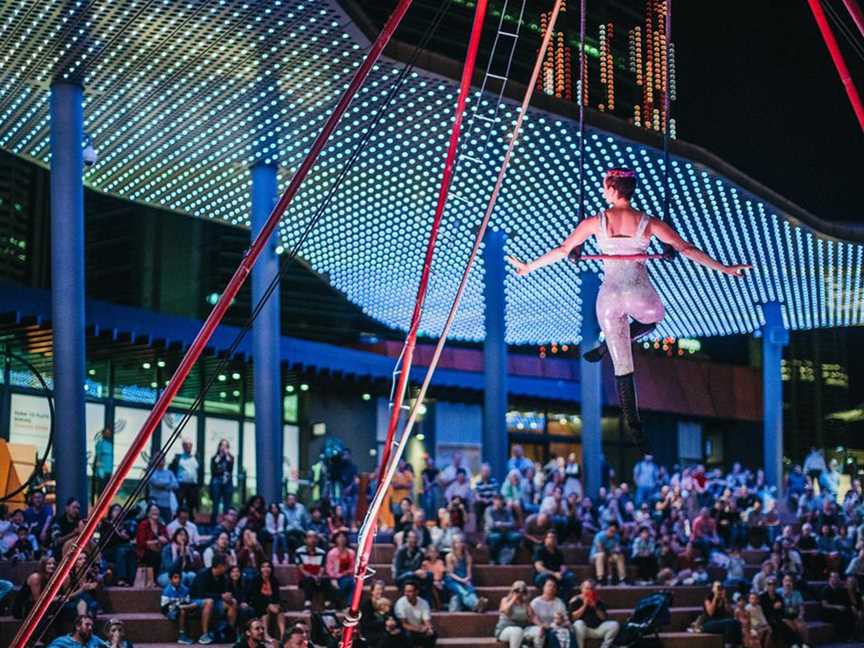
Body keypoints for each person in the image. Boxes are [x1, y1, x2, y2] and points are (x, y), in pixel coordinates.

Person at [509, 167, 749, 453]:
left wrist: (528, 267)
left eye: (604, 186)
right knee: (654, 317)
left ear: (612, 189)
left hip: (609, 297)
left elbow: (563, 250)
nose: (602, 190)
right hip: (638, 293)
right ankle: (607, 349)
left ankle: (635, 430)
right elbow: (686, 249)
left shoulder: (595, 222)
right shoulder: (648, 222)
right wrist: (725, 269)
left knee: (624, 367)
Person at [568, 579, 619, 648]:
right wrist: (584, 605)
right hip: (584, 630)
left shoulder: (598, 601)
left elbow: (603, 617)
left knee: (614, 625)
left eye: (591, 588)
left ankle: (605, 646)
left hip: (598, 628)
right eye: (587, 588)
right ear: (582, 589)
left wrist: (595, 607)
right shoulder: (575, 600)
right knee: (578, 623)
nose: (589, 591)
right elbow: (573, 618)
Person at [444, 534, 487, 612]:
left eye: (461, 542)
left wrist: (467, 579)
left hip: (464, 578)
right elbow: (450, 573)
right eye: (457, 542)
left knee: (470, 589)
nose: (459, 544)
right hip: (453, 580)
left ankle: (477, 604)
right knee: (463, 592)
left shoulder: (467, 556)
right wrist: (462, 580)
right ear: (453, 544)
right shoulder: (449, 556)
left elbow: (468, 572)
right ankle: (476, 605)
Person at [495, 580, 543, 648]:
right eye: (517, 590)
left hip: (523, 629)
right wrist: (513, 598)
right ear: (512, 590)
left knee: (538, 631)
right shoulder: (505, 600)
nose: (520, 593)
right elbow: (505, 610)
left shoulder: (526, 603)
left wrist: (541, 626)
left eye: (523, 591)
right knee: (517, 631)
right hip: (505, 629)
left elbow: (532, 616)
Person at [247, 561, 286, 644]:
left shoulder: (274, 580)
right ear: (260, 569)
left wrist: (276, 604)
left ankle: (283, 635)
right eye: (263, 567)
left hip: (271, 603)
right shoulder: (256, 579)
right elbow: (254, 596)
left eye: (268, 567)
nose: (266, 569)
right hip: (256, 603)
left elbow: (276, 596)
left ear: (271, 569)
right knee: (266, 608)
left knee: (280, 610)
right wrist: (269, 604)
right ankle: (265, 635)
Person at [100, 503, 138, 587]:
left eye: (120, 511)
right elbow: (105, 541)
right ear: (111, 512)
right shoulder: (106, 524)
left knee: (130, 550)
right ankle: (121, 579)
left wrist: (125, 537)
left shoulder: (124, 525)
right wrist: (119, 536)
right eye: (116, 510)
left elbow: (129, 538)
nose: (118, 512)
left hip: (122, 549)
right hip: (108, 550)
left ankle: (131, 580)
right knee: (121, 550)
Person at [533, 531, 576, 601]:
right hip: (544, 575)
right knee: (543, 577)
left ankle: (563, 601)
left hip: (557, 575)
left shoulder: (558, 552)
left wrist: (562, 572)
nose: (552, 539)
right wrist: (554, 574)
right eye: (550, 537)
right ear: (545, 539)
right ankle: (545, 600)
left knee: (570, 576)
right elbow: (539, 568)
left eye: (554, 538)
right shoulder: (540, 550)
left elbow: (563, 566)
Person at [394, 581, 437, 648]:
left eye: (409, 591)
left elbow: (426, 620)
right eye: (405, 591)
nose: (406, 594)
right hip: (407, 630)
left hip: (419, 629)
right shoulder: (400, 603)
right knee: (407, 635)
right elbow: (403, 624)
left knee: (432, 634)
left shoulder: (423, 603)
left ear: (417, 592)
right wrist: (418, 629)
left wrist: (429, 628)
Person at [697, 581, 741, 646]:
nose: (719, 589)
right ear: (712, 589)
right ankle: (728, 645)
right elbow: (710, 613)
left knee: (736, 623)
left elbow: (730, 612)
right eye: (717, 587)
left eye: (720, 587)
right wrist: (715, 597)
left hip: (720, 622)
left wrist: (724, 599)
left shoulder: (724, 598)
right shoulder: (708, 598)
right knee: (729, 623)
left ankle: (738, 645)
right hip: (707, 623)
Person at [161, 570, 198, 645]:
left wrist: (183, 606)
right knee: (182, 611)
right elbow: (164, 608)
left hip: (184, 607)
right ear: (170, 579)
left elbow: (188, 601)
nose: (178, 580)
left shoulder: (185, 589)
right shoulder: (166, 591)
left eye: (179, 578)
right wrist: (178, 607)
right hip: (171, 610)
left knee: (194, 605)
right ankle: (182, 635)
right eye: (175, 578)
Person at [135, 503, 169, 585]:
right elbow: (141, 542)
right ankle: (152, 580)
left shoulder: (161, 525)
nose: (155, 512)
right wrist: (156, 541)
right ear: (148, 513)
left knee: (165, 552)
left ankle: (163, 577)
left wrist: (162, 540)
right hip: (144, 551)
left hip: (159, 549)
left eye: (157, 510)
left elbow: (167, 539)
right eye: (153, 510)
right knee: (153, 554)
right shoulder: (143, 524)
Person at [296, 529, 329, 609]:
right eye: (310, 537)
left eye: (315, 537)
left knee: (326, 580)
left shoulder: (322, 552)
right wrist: (313, 577)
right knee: (309, 580)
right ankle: (308, 604)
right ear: (305, 540)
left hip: (318, 578)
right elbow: (301, 569)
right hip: (304, 579)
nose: (312, 540)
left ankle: (328, 604)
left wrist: (318, 576)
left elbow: (322, 568)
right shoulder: (299, 552)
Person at [485, 494, 520, 565]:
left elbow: (512, 523)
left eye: (500, 501)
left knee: (516, 536)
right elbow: (491, 525)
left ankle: (510, 559)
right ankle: (493, 559)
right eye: (497, 501)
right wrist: (504, 525)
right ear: (494, 501)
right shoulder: (489, 510)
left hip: (506, 532)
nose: (499, 503)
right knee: (495, 537)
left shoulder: (507, 510)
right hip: (493, 532)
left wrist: (500, 524)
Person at [820, 570, 856, 640]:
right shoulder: (826, 589)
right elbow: (824, 605)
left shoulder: (839, 589)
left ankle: (851, 635)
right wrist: (837, 607)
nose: (836, 579)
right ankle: (842, 636)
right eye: (835, 577)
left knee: (849, 611)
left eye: (838, 577)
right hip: (827, 611)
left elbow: (848, 600)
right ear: (830, 578)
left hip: (838, 609)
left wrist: (852, 607)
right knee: (841, 614)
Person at [326, 530, 356, 608]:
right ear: (336, 539)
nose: (342, 539)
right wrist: (334, 578)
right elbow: (329, 569)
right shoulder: (332, 553)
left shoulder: (351, 553)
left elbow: (353, 568)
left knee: (352, 582)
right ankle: (340, 604)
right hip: (335, 578)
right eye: (339, 537)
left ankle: (349, 605)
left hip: (348, 576)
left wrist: (345, 573)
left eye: (343, 537)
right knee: (345, 583)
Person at [173, 438, 201, 515]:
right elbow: (172, 469)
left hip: (193, 486)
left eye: (189, 445)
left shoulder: (196, 457)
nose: (188, 447)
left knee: (191, 506)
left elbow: (199, 471)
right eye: (186, 445)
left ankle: (191, 521)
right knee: (179, 504)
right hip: (181, 485)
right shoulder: (178, 458)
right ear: (183, 446)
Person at [210, 438, 235, 523]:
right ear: (219, 447)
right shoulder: (215, 458)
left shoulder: (230, 458)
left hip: (227, 482)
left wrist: (227, 456)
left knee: (227, 505)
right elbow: (213, 470)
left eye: (226, 446)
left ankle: (225, 522)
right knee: (216, 504)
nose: (224, 447)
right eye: (222, 445)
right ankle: (213, 522)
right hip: (217, 482)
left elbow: (230, 469)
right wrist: (220, 456)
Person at [150, 456, 180, 523]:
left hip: (167, 505)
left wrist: (162, 485)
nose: (161, 460)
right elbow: (155, 483)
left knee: (168, 524)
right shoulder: (152, 472)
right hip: (155, 505)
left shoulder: (169, 473)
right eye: (158, 458)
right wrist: (168, 483)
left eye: (162, 459)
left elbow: (176, 485)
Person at [281, 493, 309, 558]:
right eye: (290, 499)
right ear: (286, 501)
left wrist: (307, 531)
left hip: (299, 530)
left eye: (293, 499)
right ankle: (298, 556)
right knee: (292, 537)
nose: (292, 501)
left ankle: (300, 556)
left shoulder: (301, 507)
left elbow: (305, 521)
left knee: (298, 537)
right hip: (287, 531)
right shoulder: (282, 508)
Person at [93, 426, 114, 501]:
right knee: (101, 490)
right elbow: (98, 456)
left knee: (107, 490)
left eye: (109, 433)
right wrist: (99, 470)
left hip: (109, 470)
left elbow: (111, 458)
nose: (108, 434)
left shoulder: (110, 445)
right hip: (102, 470)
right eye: (107, 433)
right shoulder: (100, 443)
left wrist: (111, 471)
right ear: (103, 434)